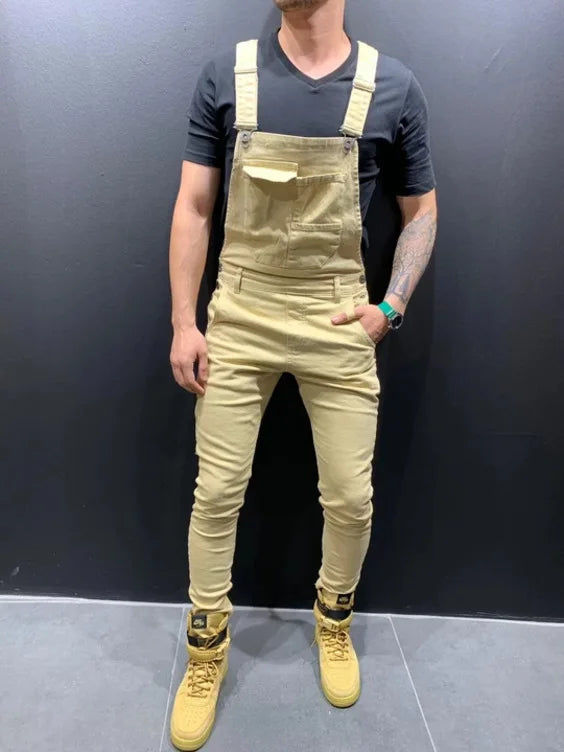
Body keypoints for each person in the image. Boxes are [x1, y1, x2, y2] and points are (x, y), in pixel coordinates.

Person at [167, 0, 437, 748]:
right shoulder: (226, 76)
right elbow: (194, 206)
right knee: (217, 491)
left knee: (350, 496)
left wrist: (392, 305)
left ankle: (334, 618)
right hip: (241, 309)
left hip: (338, 315)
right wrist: (185, 322)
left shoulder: (393, 86)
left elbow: (421, 211)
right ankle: (205, 648)